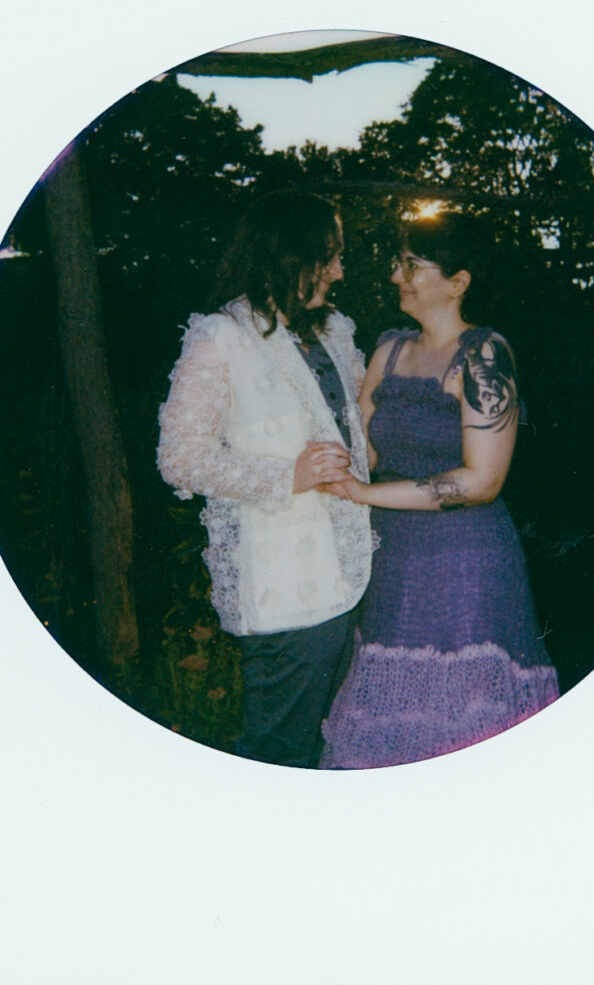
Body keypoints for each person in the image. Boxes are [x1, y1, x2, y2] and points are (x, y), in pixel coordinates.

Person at [318, 211, 559, 769]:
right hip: (392, 563)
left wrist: (361, 492)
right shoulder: (390, 351)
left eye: (412, 265)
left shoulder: (484, 355)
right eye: (398, 264)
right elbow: (365, 455)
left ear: (458, 281)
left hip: (464, 567)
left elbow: (482, 481)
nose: (397, 276)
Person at [157, 190, 372, 768]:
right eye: (328, 255)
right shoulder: (219, 337)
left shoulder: (336, 332)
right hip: (287, 588)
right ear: (286, 254)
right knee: (278, 755)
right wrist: (289, 475)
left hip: (357, 576)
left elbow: (360, 426)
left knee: (336, 745)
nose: (340, 270)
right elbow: (179, 457)